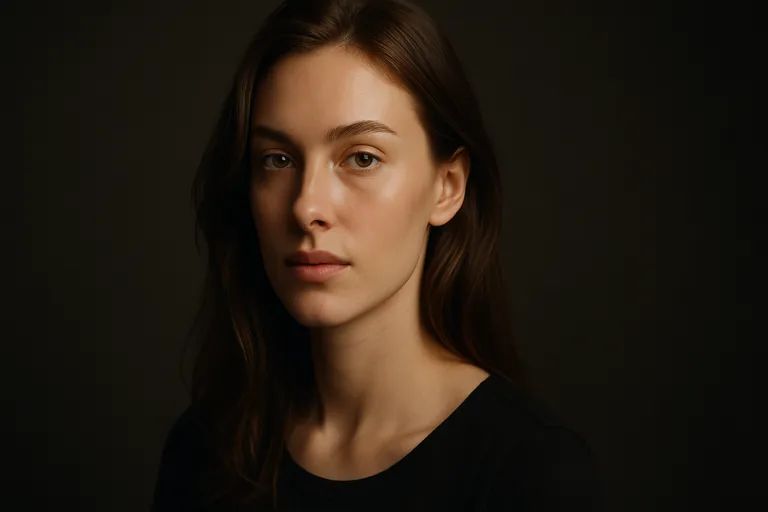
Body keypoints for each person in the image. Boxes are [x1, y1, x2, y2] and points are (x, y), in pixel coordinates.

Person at [151, 0, 600, 509]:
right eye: (277, 159)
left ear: (446, 187)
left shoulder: (530, 474)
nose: (307, 206)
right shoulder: (208, 451)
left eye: (362, 158)